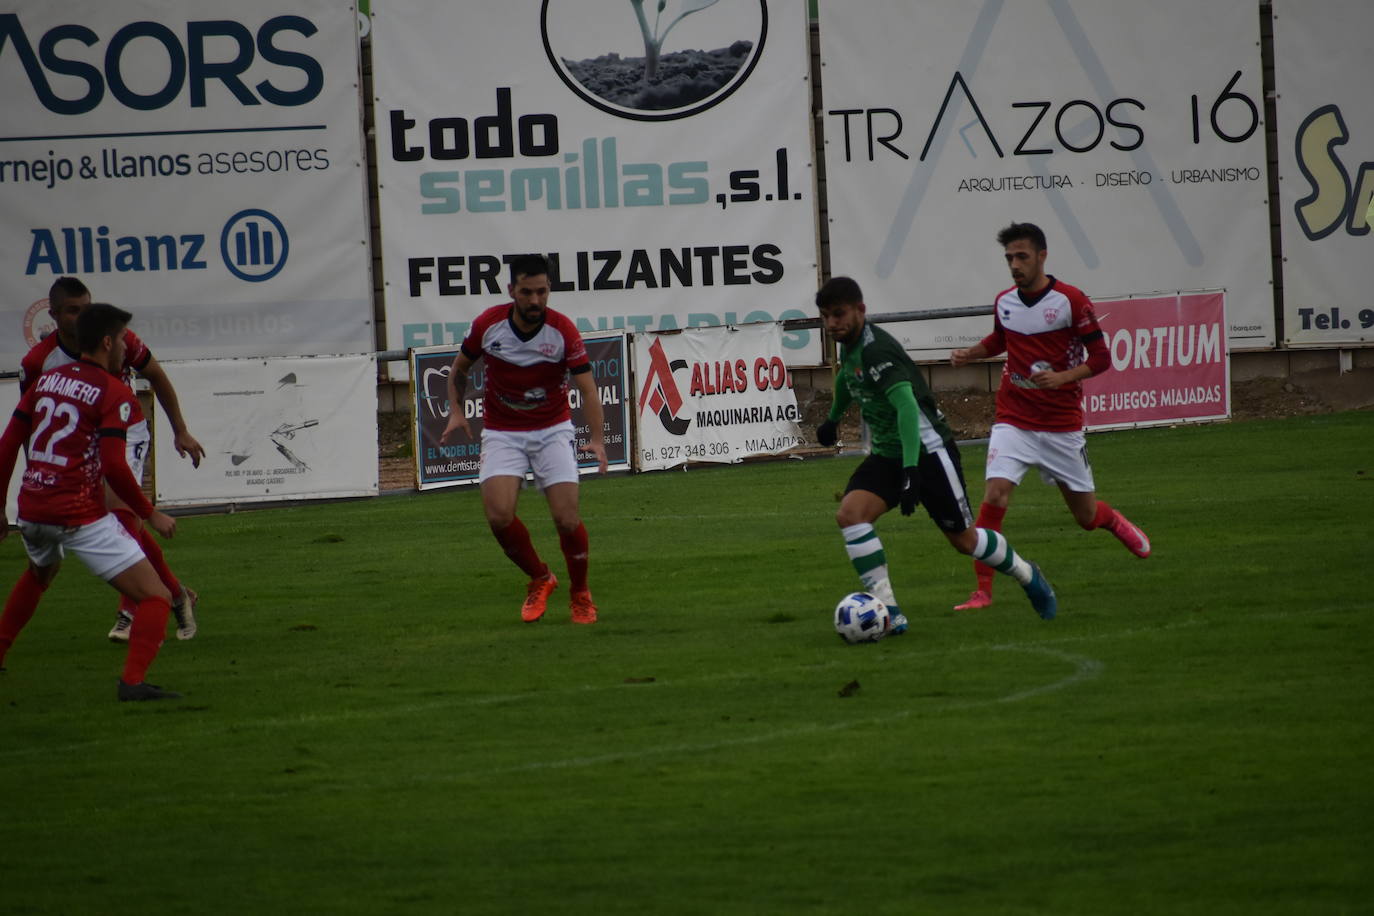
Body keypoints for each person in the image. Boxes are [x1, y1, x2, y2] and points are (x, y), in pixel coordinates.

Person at [815, 276, 1058, 627]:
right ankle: (889, 614)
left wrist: (913, 471)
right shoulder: (850, 344)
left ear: (861, 311)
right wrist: (832, 419)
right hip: (887, 454)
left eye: (838, 315)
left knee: (965, 540)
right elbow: (845, 379)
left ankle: (1027, 575)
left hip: (928, 452)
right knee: (850, 515)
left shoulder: (877, 350)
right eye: (826, 317)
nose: (832, 324)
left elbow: (907, 409)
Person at [949, 222, 1151, 612]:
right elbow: (1000, 340)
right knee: (994, 495)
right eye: (1009, 258)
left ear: (1042, 255)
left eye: (1021, 256)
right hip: (1014, 419)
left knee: (1085, 515)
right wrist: (969, 354)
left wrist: (1062, 377)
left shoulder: (1071, 300)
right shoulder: (1005, 301)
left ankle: (1112, 521)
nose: (1014, 265)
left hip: (1061, 425)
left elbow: (1101, 358)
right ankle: (983, 592)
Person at [0, 303, 183, 701]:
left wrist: (0, 507)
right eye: (120, 339)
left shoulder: (47, 381)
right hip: (76, 512)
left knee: (39, 575)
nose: (123, 347)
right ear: (106, 342)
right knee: (155, 598)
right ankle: (133, 684)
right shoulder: (114, 391)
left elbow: (9, 443)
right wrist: (151, 513)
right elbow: (116, 467)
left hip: (31, 506)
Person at [19, 277, 204, 642]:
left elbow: (156, 376)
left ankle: (131, 611)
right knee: (109, 523)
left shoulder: (119, 340)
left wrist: (180, 430)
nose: (81, 316)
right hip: (77, 445)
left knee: (121, 514)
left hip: (126, 429)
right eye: (72, 310)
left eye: (85, 308)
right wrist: (37, 465)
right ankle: (176, 593)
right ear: (53, 316)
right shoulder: (38, 362)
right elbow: (30, 422)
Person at [440, 254, 609, 624]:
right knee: (499, 516)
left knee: (566, 519)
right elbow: (459, 368)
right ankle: (540, 578)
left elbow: (588, 388)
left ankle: (580, 593)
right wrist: (455, 410)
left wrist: (597, 438)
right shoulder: (489, 324)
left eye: (542, 292)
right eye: (527, 292)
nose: (535, 301)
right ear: (512, 290)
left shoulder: (562, 330)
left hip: (552, 430)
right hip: (503, 432)